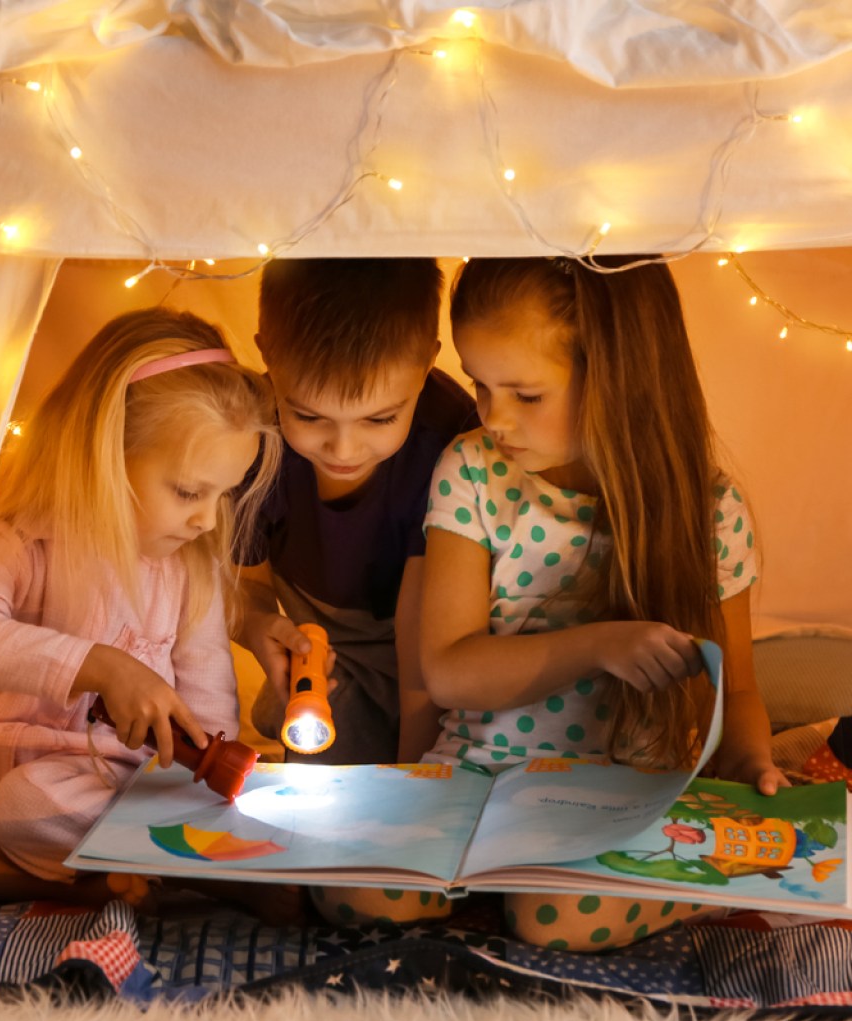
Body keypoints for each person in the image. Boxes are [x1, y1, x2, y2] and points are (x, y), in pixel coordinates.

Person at [313, 254, 787, 945]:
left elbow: (737, 690)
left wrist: (748, 766)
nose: (493, 416)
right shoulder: (471, 469)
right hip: (474, 778)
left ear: (620, 379)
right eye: (478, 384)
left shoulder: (708, 510)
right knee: (351, 889)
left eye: (525, 394)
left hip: (618, 793)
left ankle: (701, 878)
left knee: (554, 917)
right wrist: (599, 644)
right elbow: (447, 669)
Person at [0, 307, 282, 907]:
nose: (206, 519)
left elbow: (207, 709)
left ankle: (88, 868)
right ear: (102, 455)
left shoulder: (187, 570)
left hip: (100, 793)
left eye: (224, 495)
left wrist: (205, 777)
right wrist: (102, 666)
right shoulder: (16, 540)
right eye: (189, 492)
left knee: (33, 803)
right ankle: (95, 881)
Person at [235, 258, 477, 765]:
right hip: (325, 662)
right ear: (267, 355)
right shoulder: (249, 440)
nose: (343, 449)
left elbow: (422, 655)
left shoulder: (449, 443)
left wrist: (414, 776)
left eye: (380, 418)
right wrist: (254, 625)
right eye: (308, 415)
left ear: (428, 364)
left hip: (436, 655)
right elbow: (243, 583)